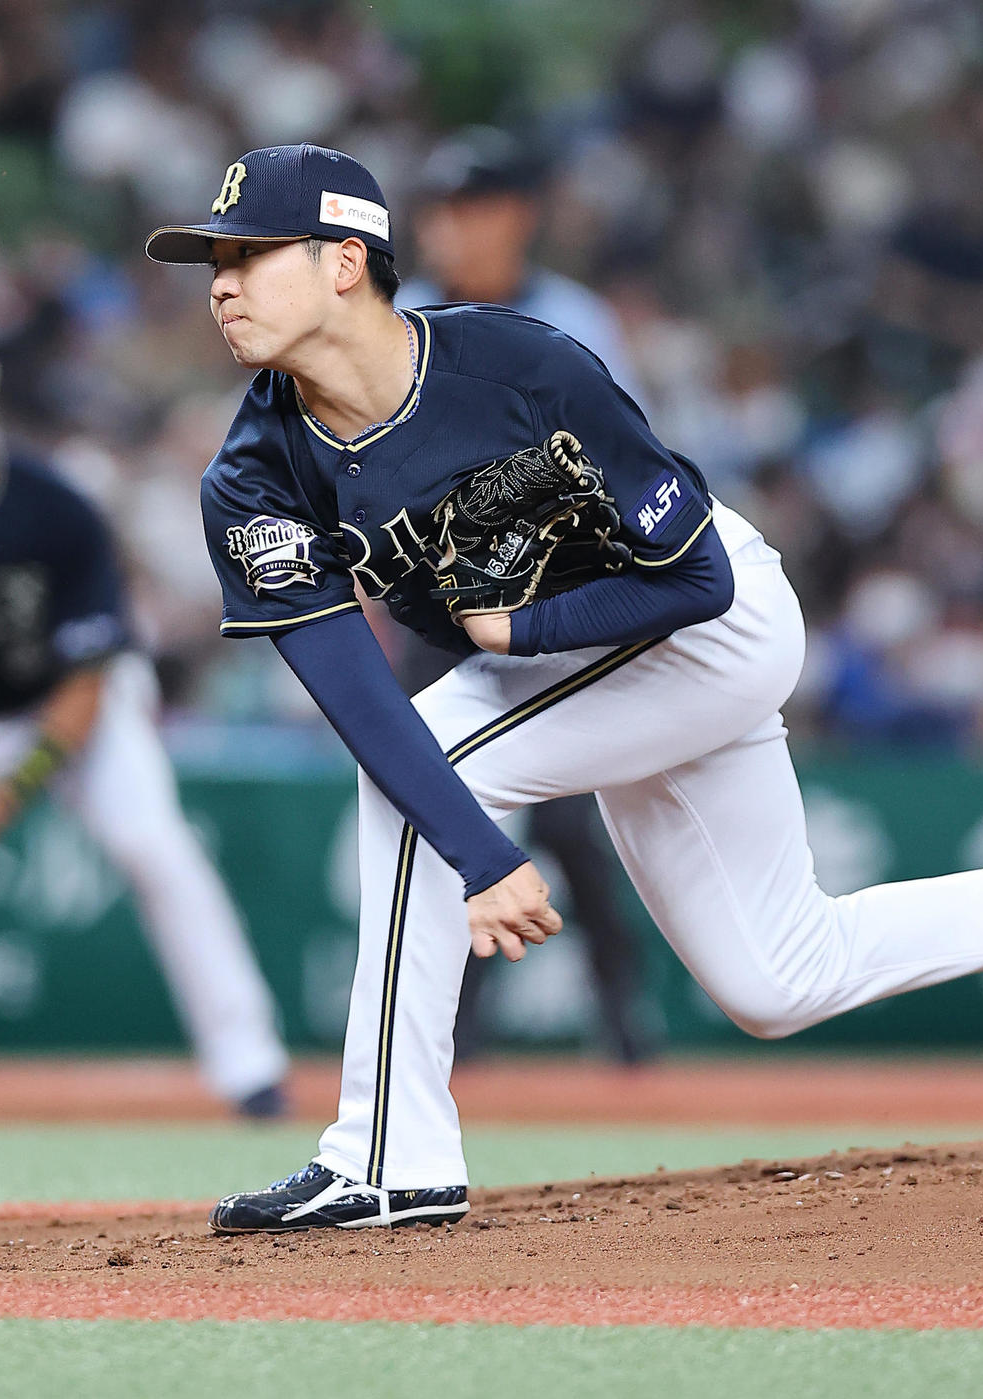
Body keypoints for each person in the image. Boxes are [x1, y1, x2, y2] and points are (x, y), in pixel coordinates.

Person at [143, 144, 983, 1234]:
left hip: (711, 627)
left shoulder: (519, 367)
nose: (221, 284)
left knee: (431, 761)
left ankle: (386, 1155)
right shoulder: (252, 476)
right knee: (779, 977)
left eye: (248, 254)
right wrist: (481, 853)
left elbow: (697, 580)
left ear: (345, 260)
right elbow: (354, 695)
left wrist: (522, 629)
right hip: (580, 674)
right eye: (214, 263)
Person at [396, 125, 653, 1065]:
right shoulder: (402, 315)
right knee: (440, 807)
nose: (453, 225)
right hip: (439, 604)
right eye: (443, 208)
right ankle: (456, 1024)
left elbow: (628, 456)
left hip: (560, 597)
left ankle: (620, 1007)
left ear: (518, 215)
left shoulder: (577, 318)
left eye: (473, 206)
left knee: (568, 818)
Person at [0, 344, 289, 1116]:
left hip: (76, 702)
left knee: (153, 847)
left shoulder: (53, 507)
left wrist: (8, 792)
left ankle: (249, 1068)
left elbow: (87, 679)